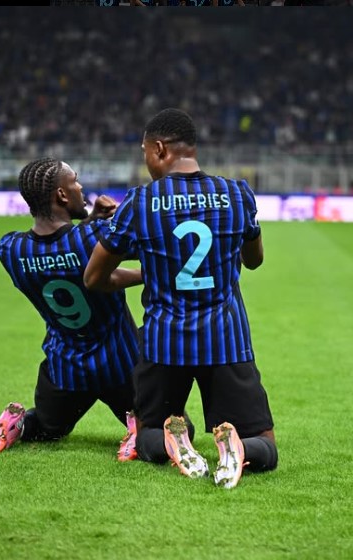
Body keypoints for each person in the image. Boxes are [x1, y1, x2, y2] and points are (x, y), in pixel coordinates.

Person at [84, 108, 278, 488]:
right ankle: (239, 446)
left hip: (164, 342)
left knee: (148, 434)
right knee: (265, 443)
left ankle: (177, 440)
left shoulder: (139, 203)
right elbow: (254, 261)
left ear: (159, 148)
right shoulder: (237, 194)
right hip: (226, 339)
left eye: (144, 152)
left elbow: (94, 277)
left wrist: (148, 271)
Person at [0, 157, 143, 459]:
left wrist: (89, 221)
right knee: (172, 426)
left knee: (47, 427)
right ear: (62, 195)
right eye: (75, 181)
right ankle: (139, 428)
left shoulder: (12, 250)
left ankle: (16, 424)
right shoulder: (95, 237)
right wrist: (100, 222)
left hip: (65, 369)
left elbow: (62, 254)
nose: (81, 187)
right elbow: (101, 257)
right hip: (120, 364)